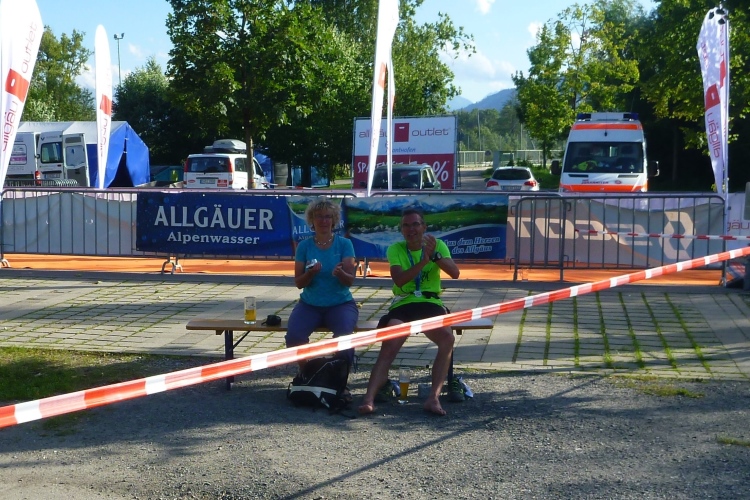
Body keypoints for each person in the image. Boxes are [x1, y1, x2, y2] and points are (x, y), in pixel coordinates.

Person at [358, 208, 460, 416]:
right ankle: (368, 399)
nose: (411, 229)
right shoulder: (396, 249)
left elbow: (455, 273)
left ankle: (433, 398)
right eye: (406, 225)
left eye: (415, 224)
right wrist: (423, 261)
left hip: (430, 302)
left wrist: (435, 255)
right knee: (390, 343)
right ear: (401, 230)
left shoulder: (437, 245)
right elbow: (400, 280)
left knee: (447, 339)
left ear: (424, 227)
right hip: (404, 302)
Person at [286, 198, 358, 372]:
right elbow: (298, 283)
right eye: (319, 216)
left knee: (345, 339)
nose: (323, 221)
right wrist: (310, 273)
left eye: (328, 217)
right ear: (312, 220)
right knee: (294, 337)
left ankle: (339, 377)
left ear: (334, 220)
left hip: (340, 303)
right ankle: (307, 372)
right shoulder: (304, 246)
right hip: (310, 304)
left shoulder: (345, 244)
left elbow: (350, 281)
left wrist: (341, 273)